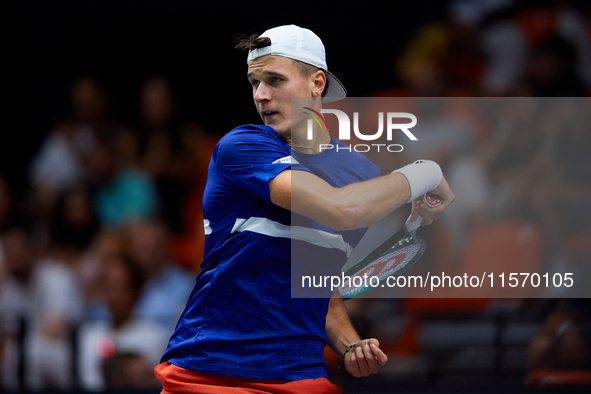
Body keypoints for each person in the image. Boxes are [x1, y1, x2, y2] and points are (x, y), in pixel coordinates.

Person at [155, 25, 454, 394]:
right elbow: (341, 210)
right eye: (254, 83)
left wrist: (349, 345)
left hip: (300, 374)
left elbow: (318, 281)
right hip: (209, 373)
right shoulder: (244, 146)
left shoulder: (360, 173)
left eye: (275, 80)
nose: (261, 95)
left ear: (317, 83)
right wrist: (424, 173)